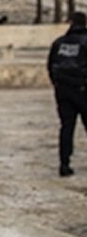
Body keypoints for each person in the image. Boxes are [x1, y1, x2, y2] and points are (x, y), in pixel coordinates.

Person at [48, 12, 87, 176]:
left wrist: (57, 85)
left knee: (66, 128)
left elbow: (50, 66)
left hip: (63, 91)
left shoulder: (58, 43)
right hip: (84, 90)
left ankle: (64, 164)